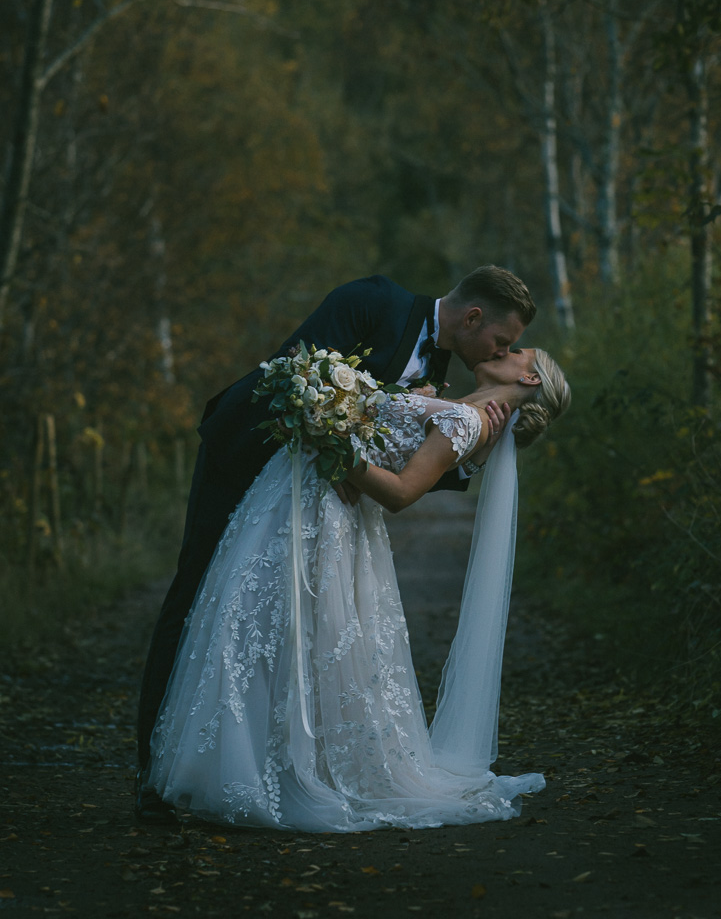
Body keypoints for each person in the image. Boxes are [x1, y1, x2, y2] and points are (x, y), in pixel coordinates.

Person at [135, 265, 537, 821]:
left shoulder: (441, 367)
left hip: (310, 499)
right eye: (501, 339)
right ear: (472, 316)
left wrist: (476, 445)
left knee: (280, 624)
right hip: (246, 458)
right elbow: (296, 375)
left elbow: (408, 451)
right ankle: (152, 769)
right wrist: (357, 443)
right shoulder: (374, 302)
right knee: (199, 594)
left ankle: (263, 761)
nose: (501, 350)